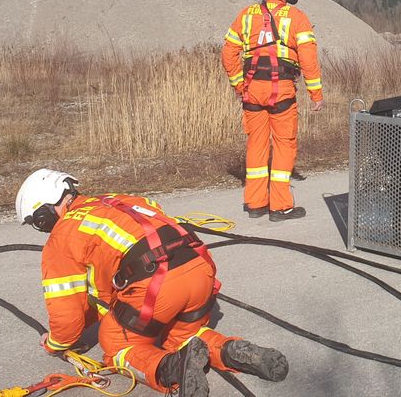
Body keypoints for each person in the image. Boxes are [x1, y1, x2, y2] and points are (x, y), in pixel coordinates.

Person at [16, 169, 289, 396]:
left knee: (116, 346)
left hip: (157, 284)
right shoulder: (117, 200)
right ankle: (229, 350)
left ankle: (173, 368)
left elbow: (67, 312)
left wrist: (55, 344)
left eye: (39, 224)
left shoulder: (63, 236)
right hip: (200, 269)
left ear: (44, 215)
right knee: (181, 334)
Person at [221, 0, 324, 221]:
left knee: (256, 145)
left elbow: (228, 53)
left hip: (252, 93)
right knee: (283, 145)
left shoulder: (246, 15)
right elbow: (308, 59)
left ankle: (255, 204)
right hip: (282, 95)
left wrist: (238, 84)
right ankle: (280, 207)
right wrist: (316, 93)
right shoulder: (297, 17)